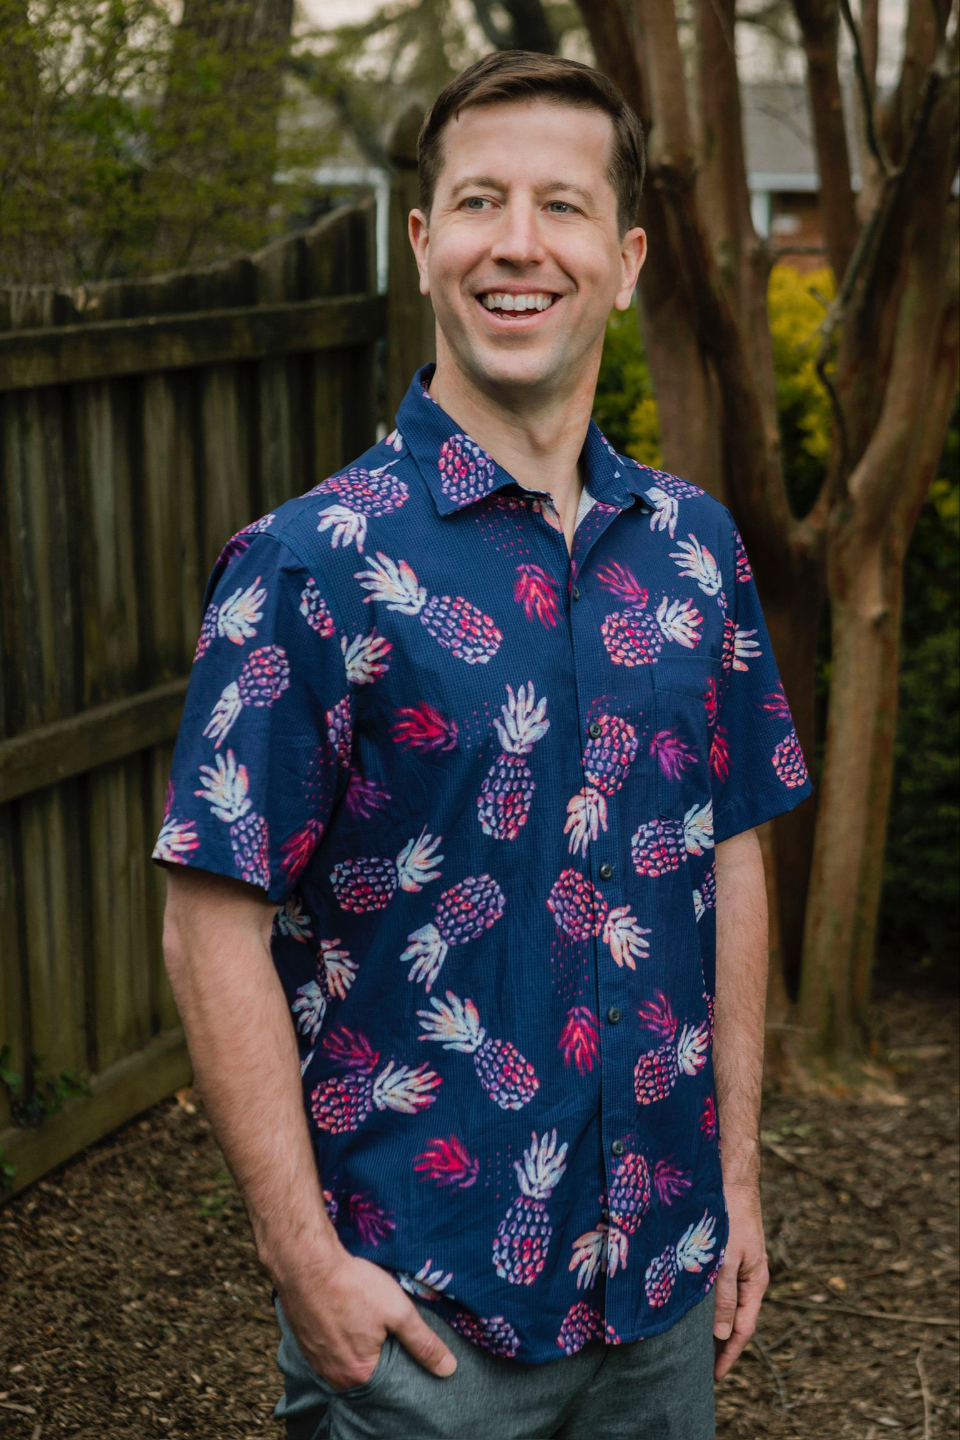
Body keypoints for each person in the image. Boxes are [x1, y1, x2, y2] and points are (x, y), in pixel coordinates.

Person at [154, 49, 812, 1440]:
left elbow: (732, 857)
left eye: (563, 205)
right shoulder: (309, 566)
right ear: (422, 243)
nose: (520, 244)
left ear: (626, 261)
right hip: (419, 1326)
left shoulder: (696, 553)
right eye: (479, 201)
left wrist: (738, 1183)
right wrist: (303, 1263)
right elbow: (209, 920)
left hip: (663, 1303)